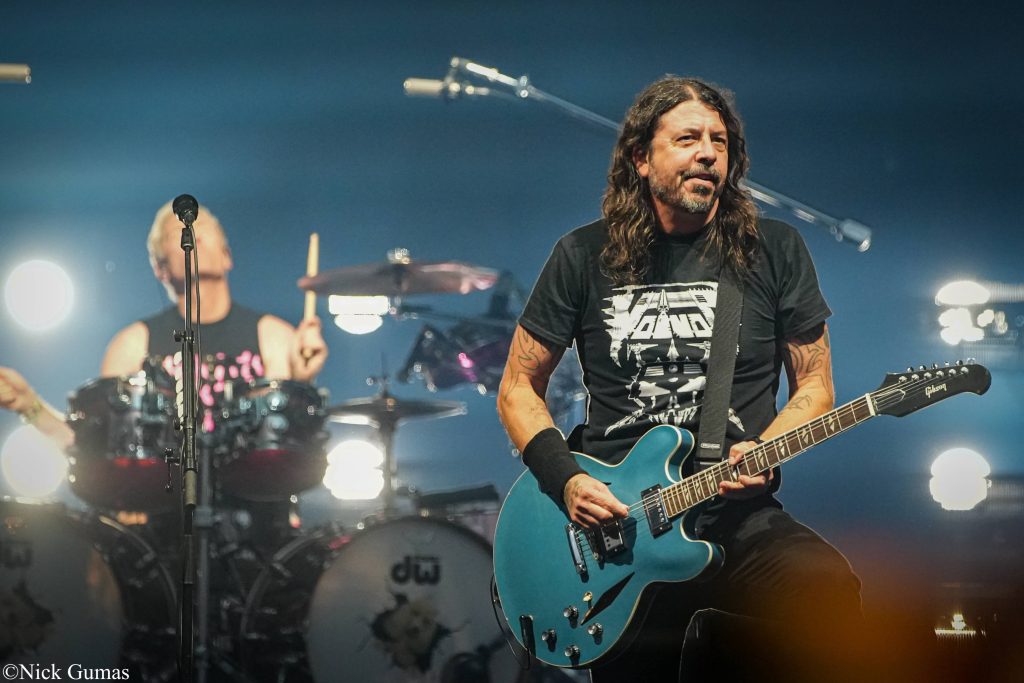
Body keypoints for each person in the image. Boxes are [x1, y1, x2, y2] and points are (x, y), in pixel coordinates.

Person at [497, 76, 863, 681]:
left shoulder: (773, 250)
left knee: (825, 588)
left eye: (720, 141)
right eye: (688, 138)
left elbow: (816, 382)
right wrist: (566, 481)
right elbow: (518, 386)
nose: (708, 153)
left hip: (732, 515)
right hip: (615, 531)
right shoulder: (581, 256)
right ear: (641, 158)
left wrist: (766, 449)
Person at [0, 199, 328, 467]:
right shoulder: (132, 345)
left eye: (205, 227)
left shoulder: (274, 337)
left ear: (227, 256)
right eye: (178, 230)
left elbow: (288, 444)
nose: (195, 231)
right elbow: (94, 452)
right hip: (163, 518)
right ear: (160, 268)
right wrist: (30, 406)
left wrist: (303, 383)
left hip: (258, 517)